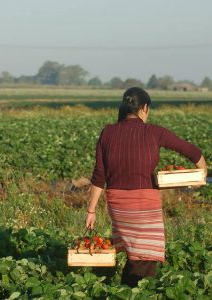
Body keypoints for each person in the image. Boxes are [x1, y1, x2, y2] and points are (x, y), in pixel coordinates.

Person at [85, 87, 207, 287]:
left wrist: (91, 210)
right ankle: (131, 291)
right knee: (146, 258)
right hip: (144, 206)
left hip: (117, 206)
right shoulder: (154, 132)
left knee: (136, 256)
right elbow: (192, 151)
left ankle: (124, 289)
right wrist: (200, 174)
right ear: (144, 108)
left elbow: (99, 176)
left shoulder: (108, 132)